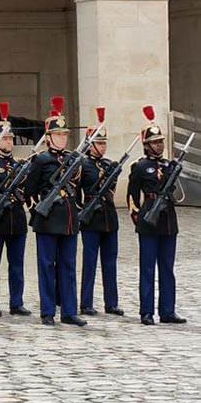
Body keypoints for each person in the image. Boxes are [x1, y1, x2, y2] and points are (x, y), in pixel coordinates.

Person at [24, 96, 85, 327]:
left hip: (68, 218)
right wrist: (38, 212)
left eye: (64, 135)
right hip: (48, 220)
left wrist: (76, 210)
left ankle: (69, 310)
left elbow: (77, 192)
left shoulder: (73, 159)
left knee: (68, 267)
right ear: (48, 137)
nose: (62, 138)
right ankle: (48, 311)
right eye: (58, 134)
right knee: (47, 266)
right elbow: (29, 192)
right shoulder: (40, 160)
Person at [128, 105, 187, 325]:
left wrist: (173, 172)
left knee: (167, 268)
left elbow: (176, 193)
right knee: (147, 267)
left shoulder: (169, 166)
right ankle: (146, 311)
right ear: (146, 145)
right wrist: (138, 218)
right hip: (148, 220)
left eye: (161, 141)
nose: (159, 145)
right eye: (155, 142)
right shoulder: (140, 167)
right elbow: (132, 196)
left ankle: (167, 310)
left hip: (168, 221)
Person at [0, 102, 31, 318]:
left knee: (17, 265)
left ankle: (16, 301)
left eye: (11, 138)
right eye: (4, 138)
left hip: (16, 218)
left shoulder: (20, 164)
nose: (9, 142)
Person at [78, 106, 123, 317]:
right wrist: (81, 212)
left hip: (109, 217)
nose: (102, 147)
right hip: (91, 218)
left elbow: (111, 191)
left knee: (110, 262)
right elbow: (76, 192)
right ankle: (86, 303)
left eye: (104, 143)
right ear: (90, 144)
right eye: (99, 143)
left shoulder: (108, 164)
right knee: (89, 263)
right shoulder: (82, 165)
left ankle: (111, 302)